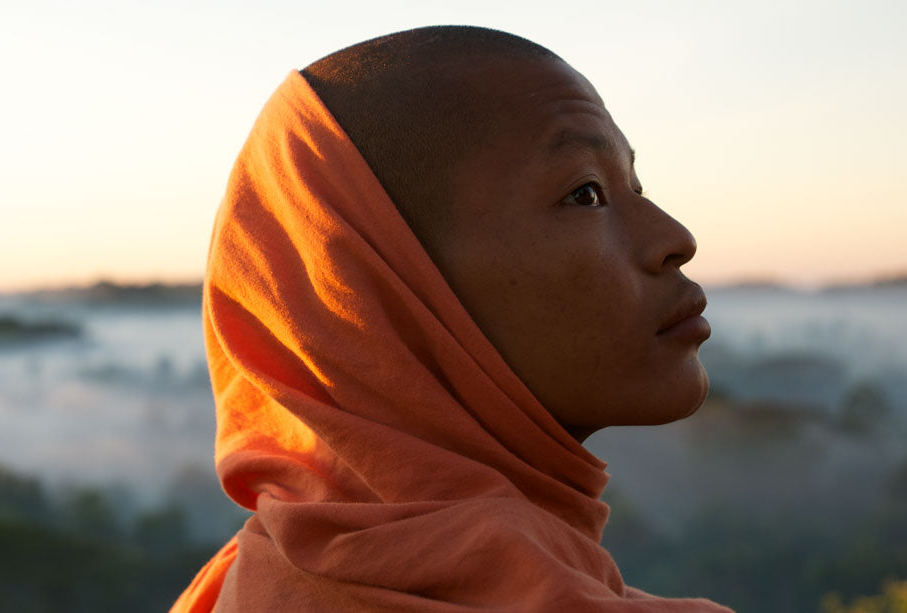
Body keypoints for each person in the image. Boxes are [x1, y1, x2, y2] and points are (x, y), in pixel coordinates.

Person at [171, 25, 731, 612]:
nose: (675, 238)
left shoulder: (255, 585)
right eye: (585, 194)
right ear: (390, 289)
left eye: (635, 187)